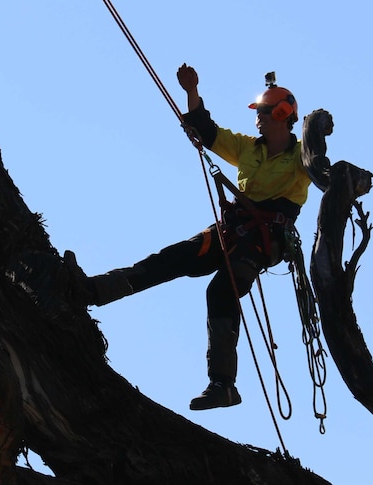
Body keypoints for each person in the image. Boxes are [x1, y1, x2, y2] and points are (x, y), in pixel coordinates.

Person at [69, 64, 313, 410]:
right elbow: (207, 131)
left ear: (282, 114)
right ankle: (92, 291)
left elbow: (321, 166)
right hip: (232, 231)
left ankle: (223, 385)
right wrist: (191, 91)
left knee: (221, 289)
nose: (257, 118)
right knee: (172, 258)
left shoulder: (301, 158)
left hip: (264, 239)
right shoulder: (248, 148)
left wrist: (320, 140)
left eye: (261, 112)